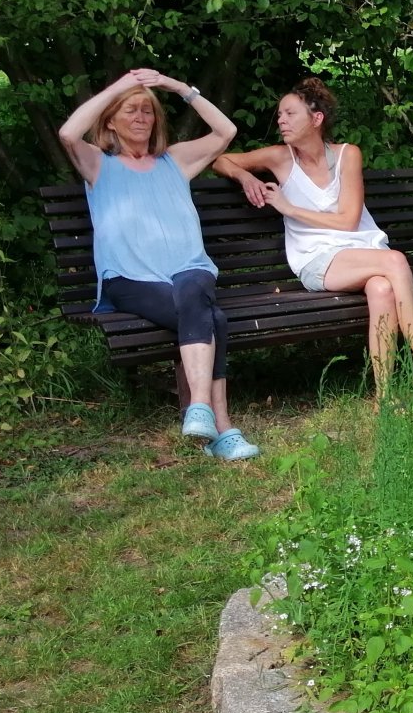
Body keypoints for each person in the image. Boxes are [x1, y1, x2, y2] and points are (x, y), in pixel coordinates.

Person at [56, 69, 261, 461]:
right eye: (129, 110)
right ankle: (221, 425)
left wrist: (179, 88)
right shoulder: (98, 164)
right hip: (129, 280)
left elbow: (225, 132)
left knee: (193, 290)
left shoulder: (175, 160)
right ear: (111, 120)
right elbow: (68, 133)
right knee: (211, 317)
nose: (140, 117)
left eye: (147, 111)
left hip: (189, 268)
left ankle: (199, 410)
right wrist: (119, 85)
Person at [213, 78, 413, 405]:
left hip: (365, 252)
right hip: (318, 261)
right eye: (280, 114)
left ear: (316, 119)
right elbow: (220, 159)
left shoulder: (347, 155)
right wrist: (246, 177)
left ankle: (385, 398)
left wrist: (289, 208)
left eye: (289, 113)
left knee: (382, 288)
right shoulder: (279, 158)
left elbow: (347, 220)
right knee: (396, 261)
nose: (281, 120)